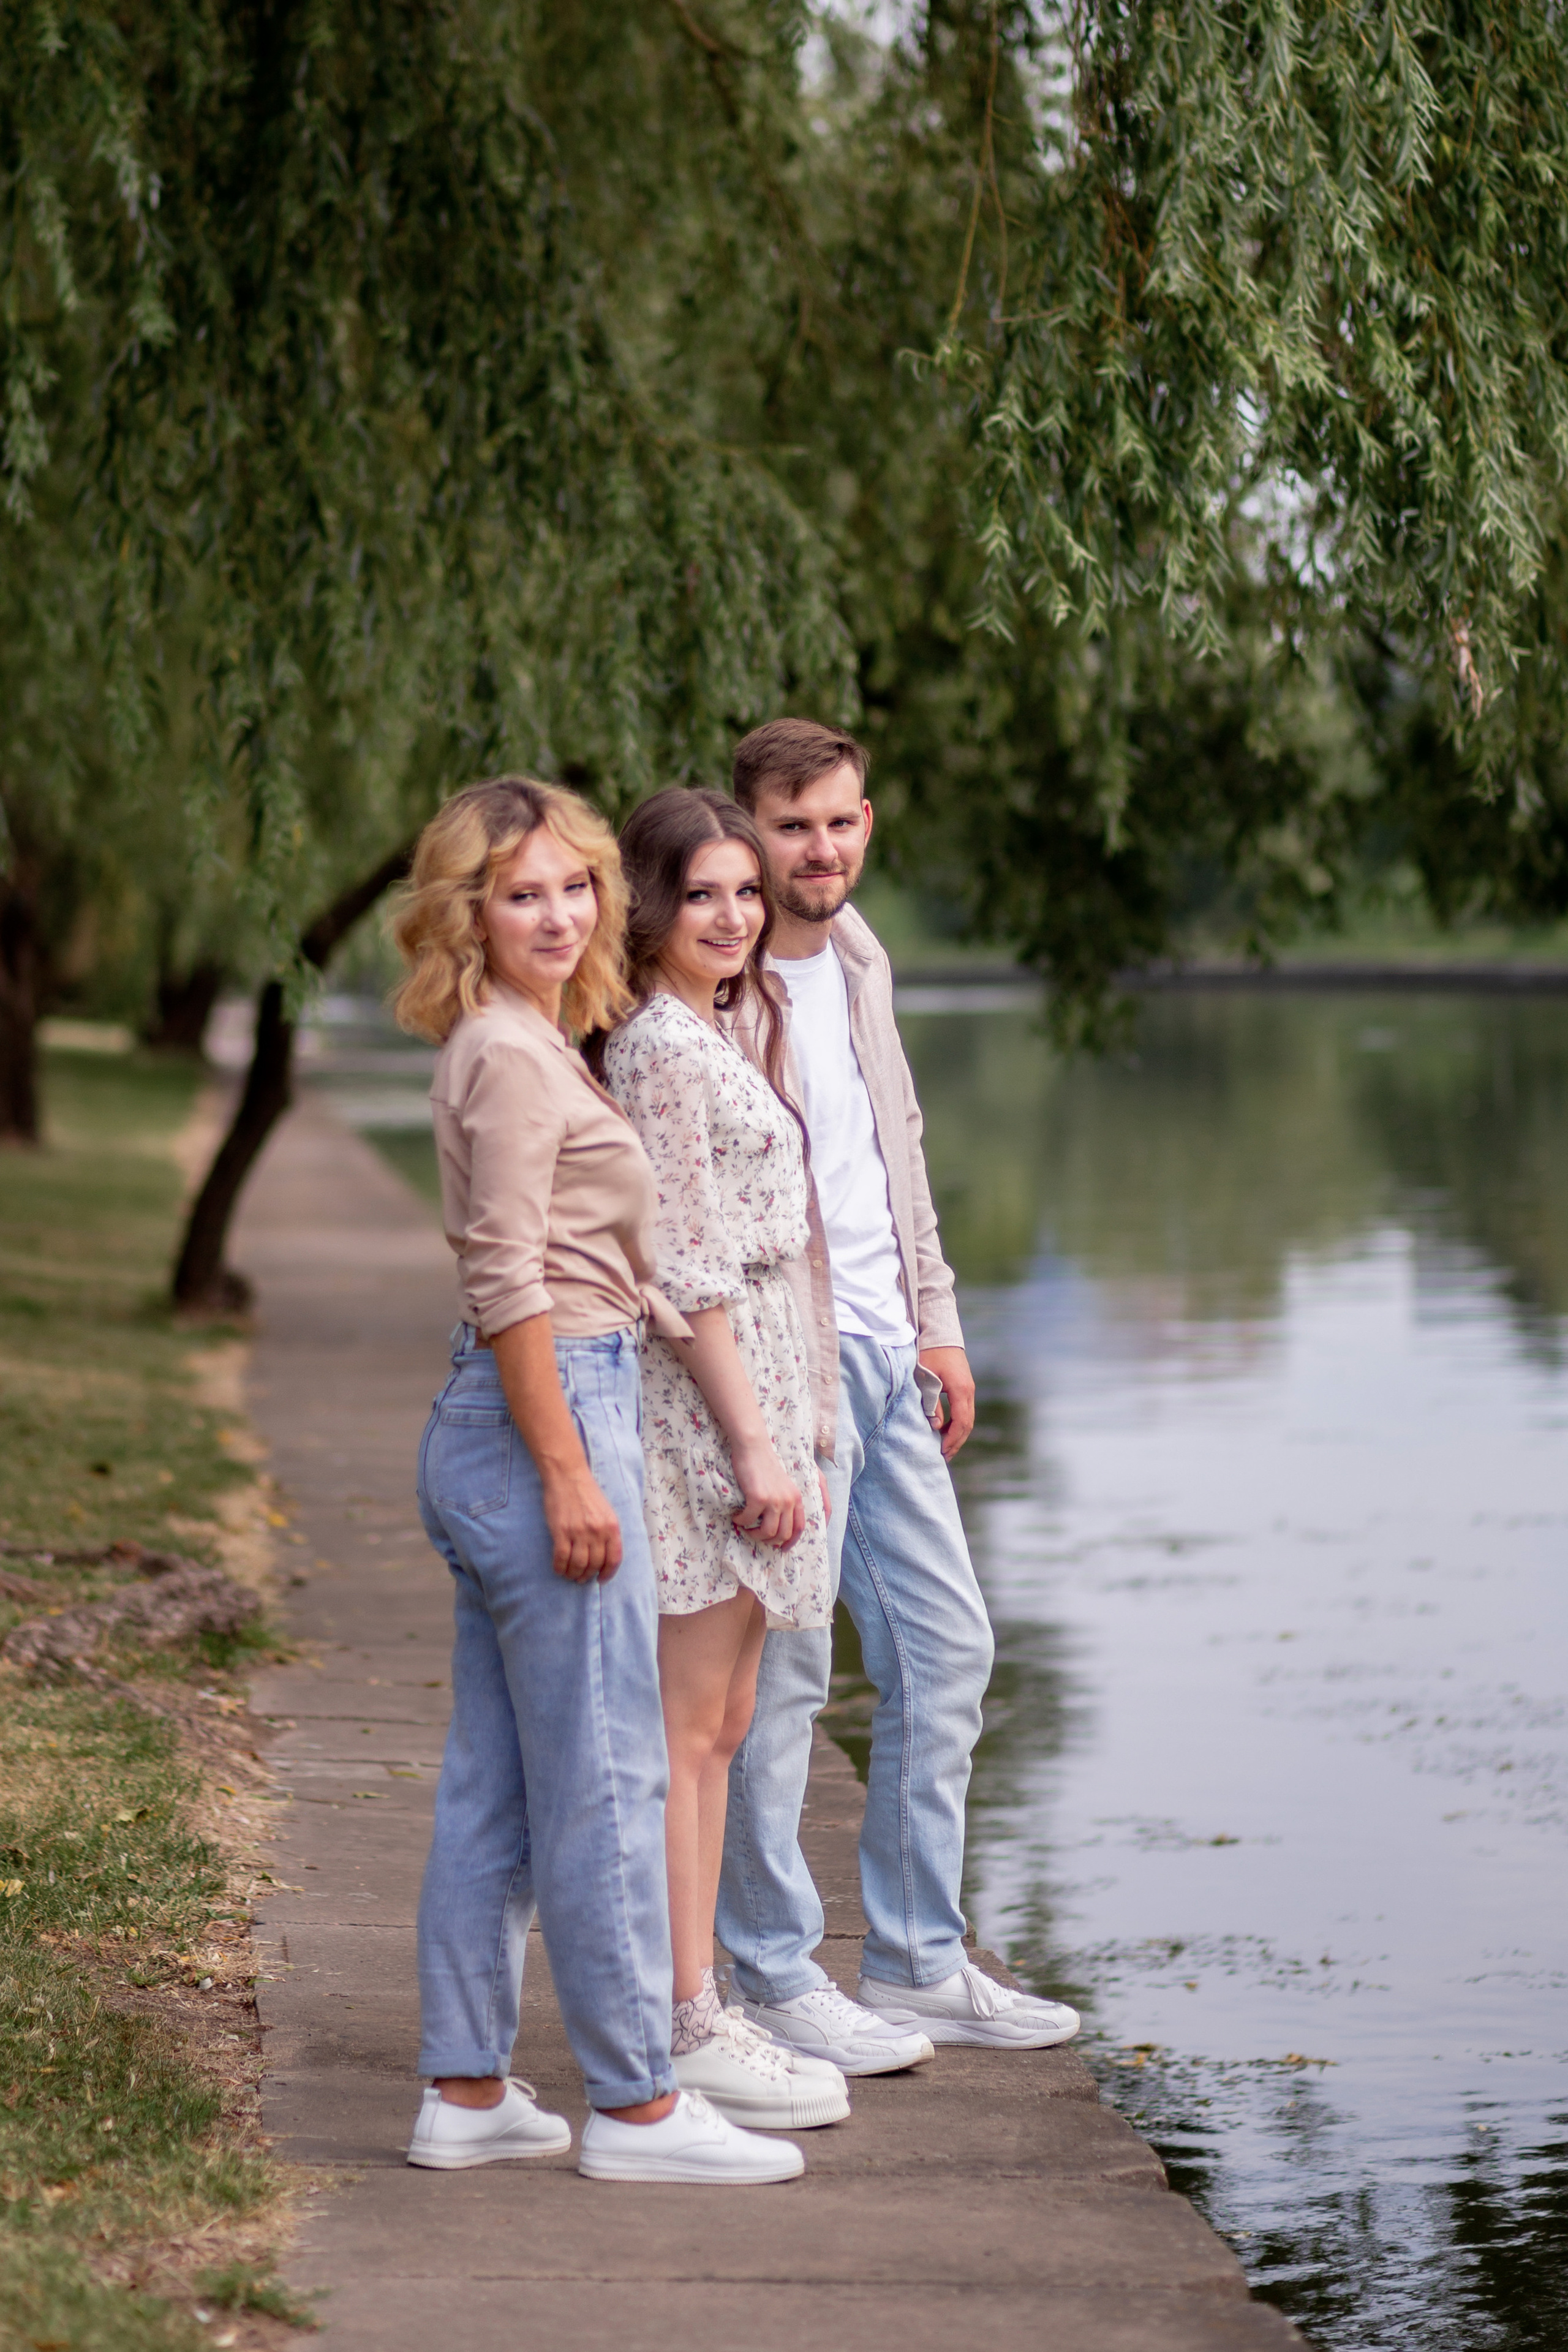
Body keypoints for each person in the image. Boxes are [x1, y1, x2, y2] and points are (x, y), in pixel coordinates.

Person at [391, 774, 802, 2185]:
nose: (558, 914)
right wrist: (570, 1473)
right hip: (543, 1411)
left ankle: (467, 2089)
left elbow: (598, 1263)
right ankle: (635, 2106)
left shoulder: (535, 1041)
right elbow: (510, 1280)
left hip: (549, 1397)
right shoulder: (508, 1056)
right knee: (610, 1776)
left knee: (499, 1784)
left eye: (575, 887)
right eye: (522, 893)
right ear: (469, 913)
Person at [717, 720, 1083, 2060]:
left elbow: (897, 1151)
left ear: (868, 822)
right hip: (785, 1373)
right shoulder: (715, 981)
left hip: (888, 1362)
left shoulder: (861, 957)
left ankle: (919, 1963)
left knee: (947, 1651)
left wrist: (940, 1326)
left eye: (840, 821)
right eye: (790, 824)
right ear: (744, 828)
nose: (819, 849)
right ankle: (768, 1976)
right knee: (791, 1671)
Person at [597, 788, 848, 2133]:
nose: (736, 917)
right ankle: (680, 2013)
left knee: (726, 1721)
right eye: (704, 895)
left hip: (760, 1385)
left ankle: (695, 1999)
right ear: (651, 904)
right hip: (707, 1407)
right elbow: (678, 1272)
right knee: (687, 1732)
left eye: (746, 894)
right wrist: (754, 1437)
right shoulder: (654, 1048)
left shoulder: (714, 1029)